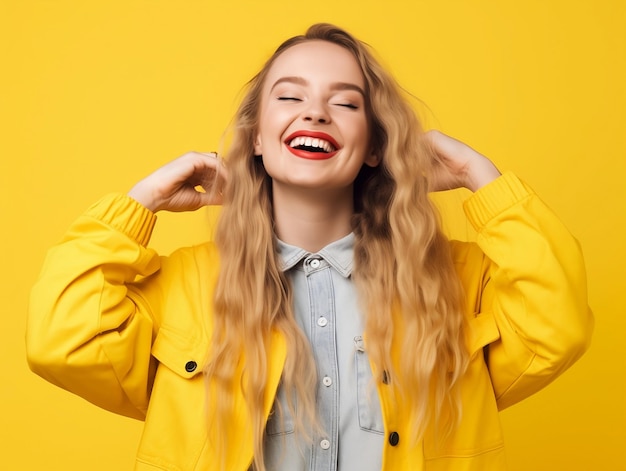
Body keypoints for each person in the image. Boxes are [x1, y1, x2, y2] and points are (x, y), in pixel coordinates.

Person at [26, 23, 593, 471]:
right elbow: (60, 341)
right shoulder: (184, 285)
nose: (316, 111)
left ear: (375, 147)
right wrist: (140, 202)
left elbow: (557, 322)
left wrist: (483, 180)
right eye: (289, 96)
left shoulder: (454, 278)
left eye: (346, 103)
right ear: (256, 137)